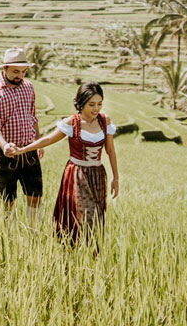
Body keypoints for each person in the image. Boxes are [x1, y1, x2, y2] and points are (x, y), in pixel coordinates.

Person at [9, 82, 119, 242]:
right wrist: (23, 150)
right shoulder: (72, 123)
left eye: (100, 104)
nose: (96, 109)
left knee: (96, 216)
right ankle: (71, 250)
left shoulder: (104, 121)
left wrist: (116, 177)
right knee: (81, 215)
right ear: (81, 103)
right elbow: (48, 139)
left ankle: (92, 255)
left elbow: (110, 150)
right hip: (77, 175)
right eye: (92, 104)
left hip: (98, 175)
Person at [0, 47, 44, 223]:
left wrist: (38, 142)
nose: (20, 75)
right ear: (5, 68)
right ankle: (8, 234)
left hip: (28, 150)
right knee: (7, 200)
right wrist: (5, 145)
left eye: (23, 71)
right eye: (16, 71)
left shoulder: (28, 87)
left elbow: (33, 116)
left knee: (35, 195)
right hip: (6, 153)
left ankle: (34, 232)